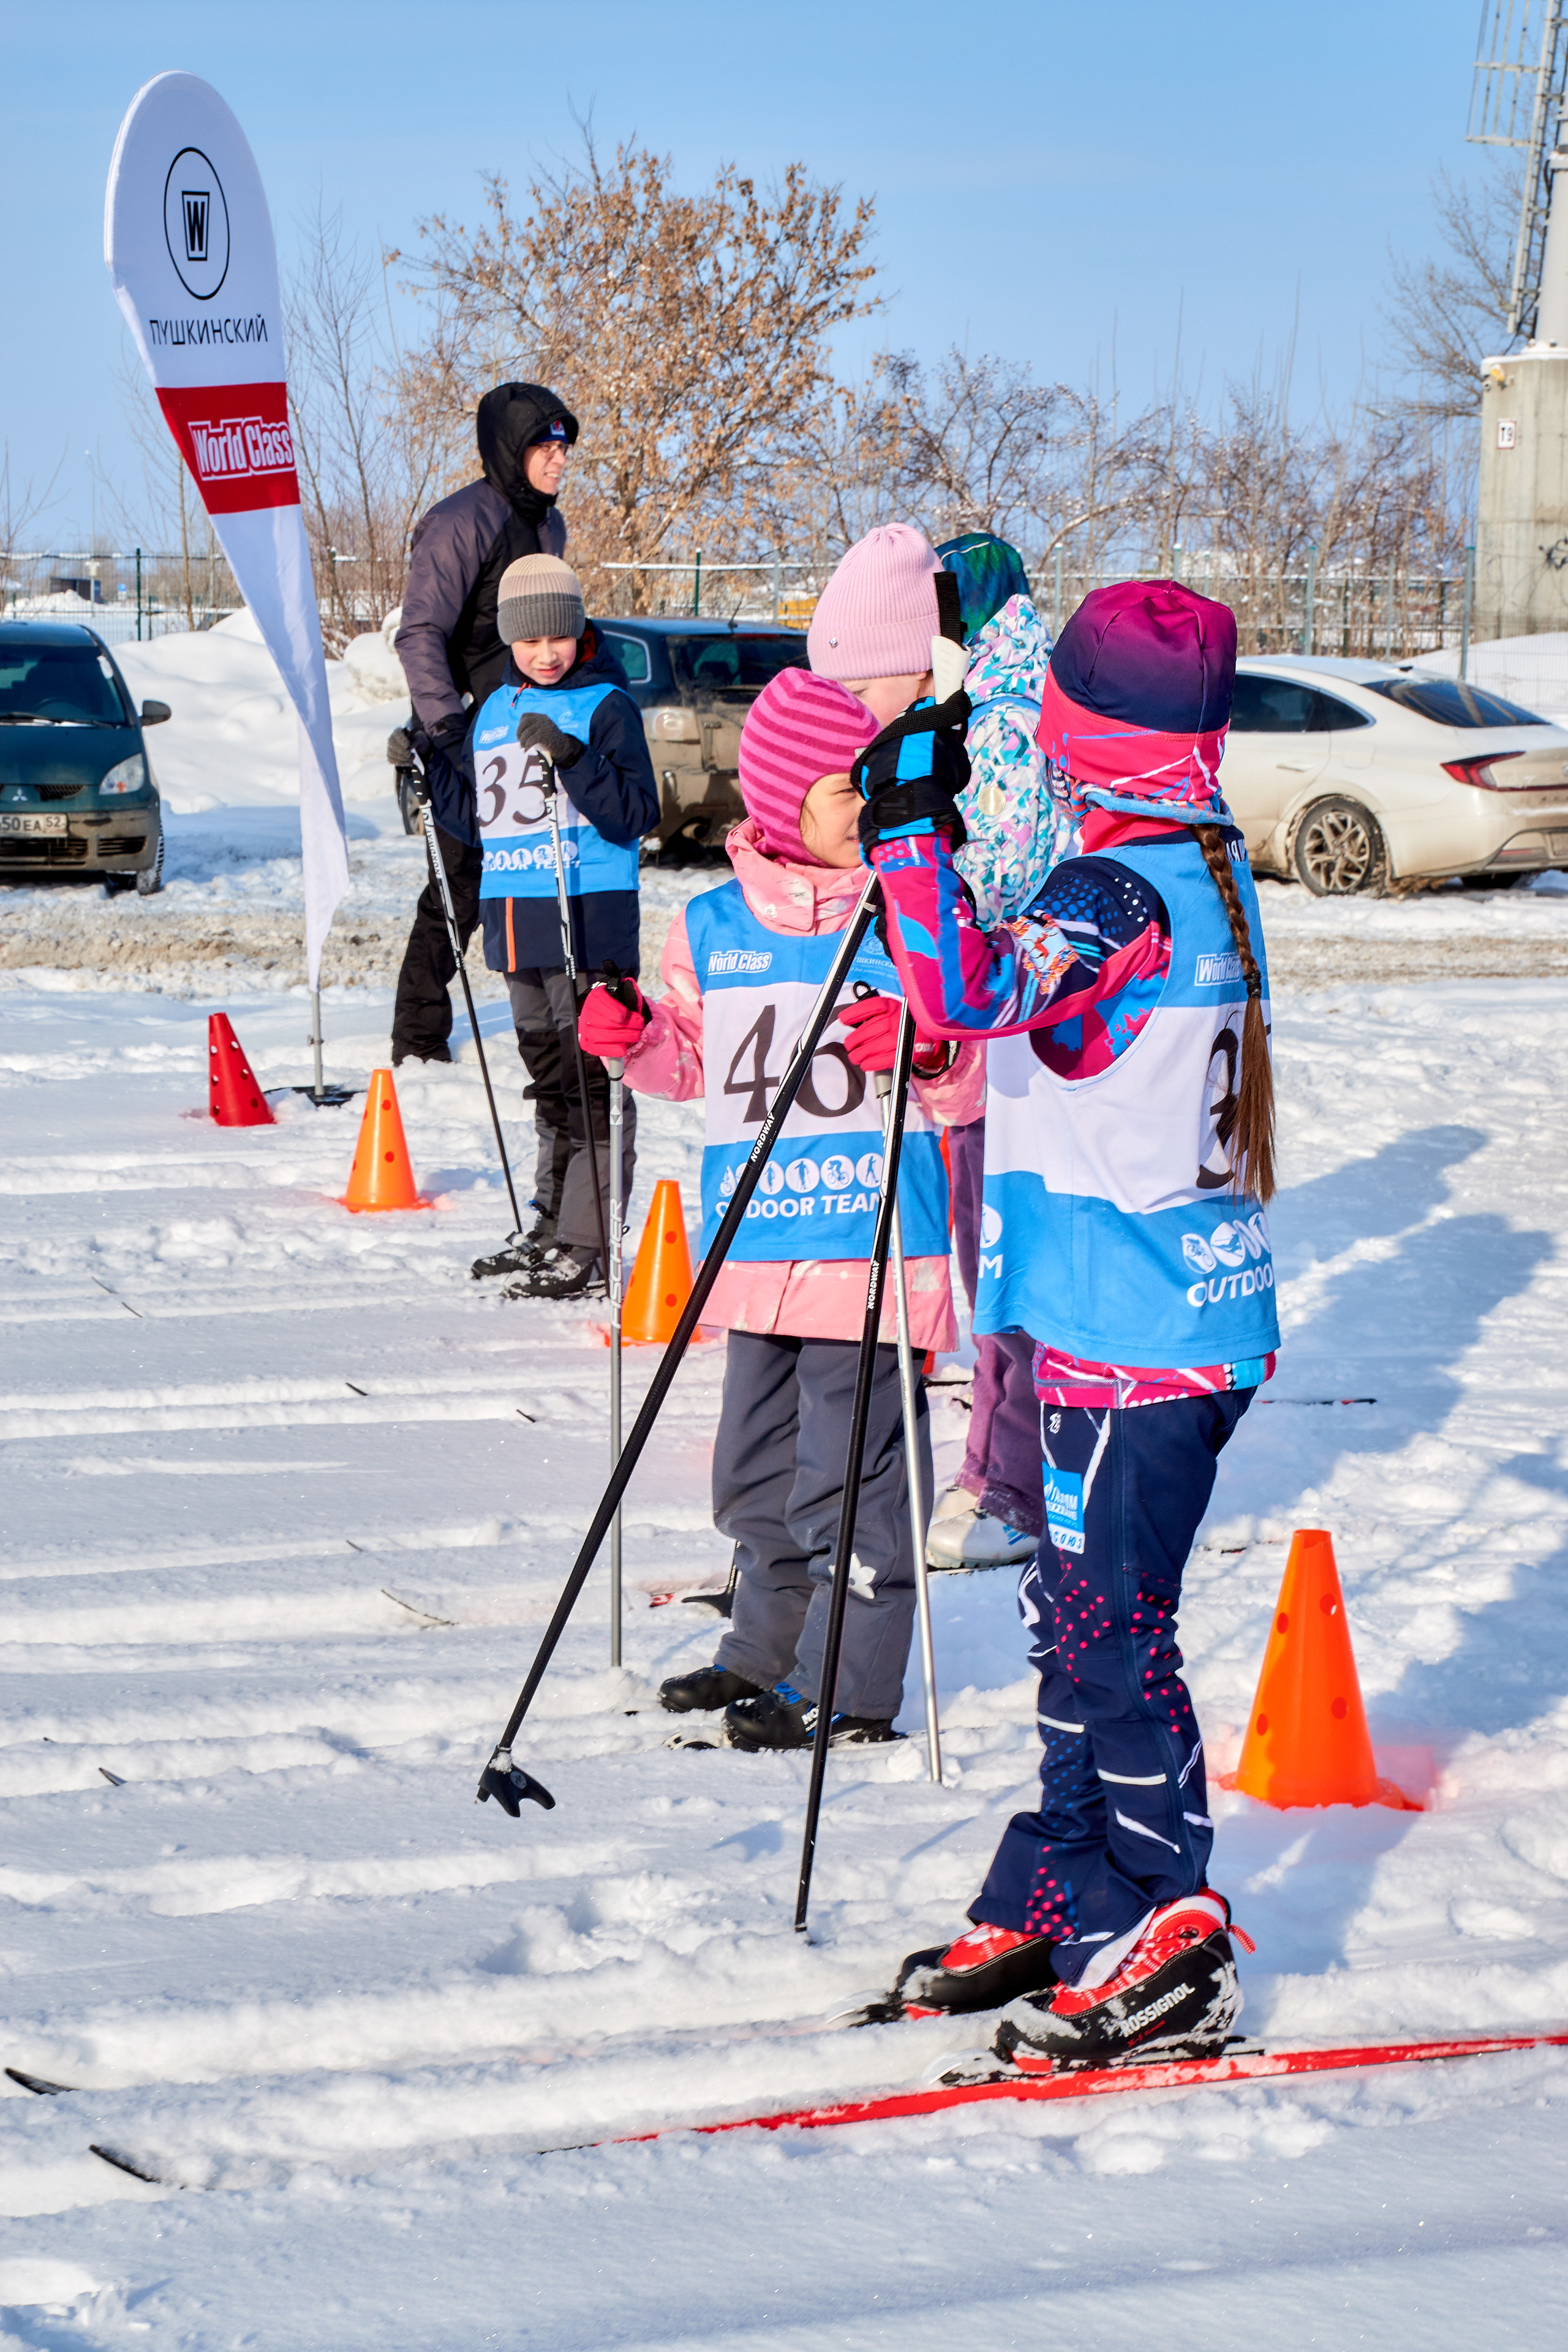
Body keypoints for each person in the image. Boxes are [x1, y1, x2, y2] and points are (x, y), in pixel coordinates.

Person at [856, 579, 1277, 2066]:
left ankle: (1175, 1916)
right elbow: (1041, 1015)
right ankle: (1069, 1878)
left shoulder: (1120, 889)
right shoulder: (1178, 867)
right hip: (1131, 1320)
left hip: (1134, 1338)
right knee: (1070, 1621)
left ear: (1084, 731)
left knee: (1110, 1633)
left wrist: (907, 834)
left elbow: (970, 983)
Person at [577, 668, 982, 1749]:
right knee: (753, 1473)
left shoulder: (915, 909)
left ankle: (848, 1685)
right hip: (758, 1243)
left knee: (851, 1484)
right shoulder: (711, 922)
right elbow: (691, 1060)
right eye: (846, 790)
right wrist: (636, 1040)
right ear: (782, 800)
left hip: (871, 1245)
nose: (868, 804)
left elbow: (973, 1078)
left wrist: (926, 1041)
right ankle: (763, 1650)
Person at [808, 524, 1054, 1572]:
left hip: (1017, 1044)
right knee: (977, 1254)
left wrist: (900, 838)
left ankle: (1013, 1483)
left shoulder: (1002, 724)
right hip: (972, 1040)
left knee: (1003, 1267)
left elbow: (996, 885)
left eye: (868, 680)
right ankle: (995, 1463)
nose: (863, 704)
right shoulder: (956, 719)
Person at [464, 554, 657, 1298]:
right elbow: (479, 819)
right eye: (530, 640)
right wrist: (423, 768)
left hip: (587, 915)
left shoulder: (605, 704)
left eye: (560, 637)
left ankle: (589, 1240)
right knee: (549, 1082)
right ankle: (550, 1220)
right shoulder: (494, 710)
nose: (546, 653)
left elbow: (638, 814)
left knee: (593, 1079)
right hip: (517, 919)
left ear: (579, 632)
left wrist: (573, 757)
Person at [390, 382, 577, 1075]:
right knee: (457, 886)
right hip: (464, 737)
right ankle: (418, 1037)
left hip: (527, 736)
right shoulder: (459, 521)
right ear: (510, 450)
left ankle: (545, 1021)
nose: (559, 461)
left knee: (531, 879)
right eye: (545, 448)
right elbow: (420, 634)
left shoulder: (548, 525)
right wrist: (444, 731)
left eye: (564, 449)